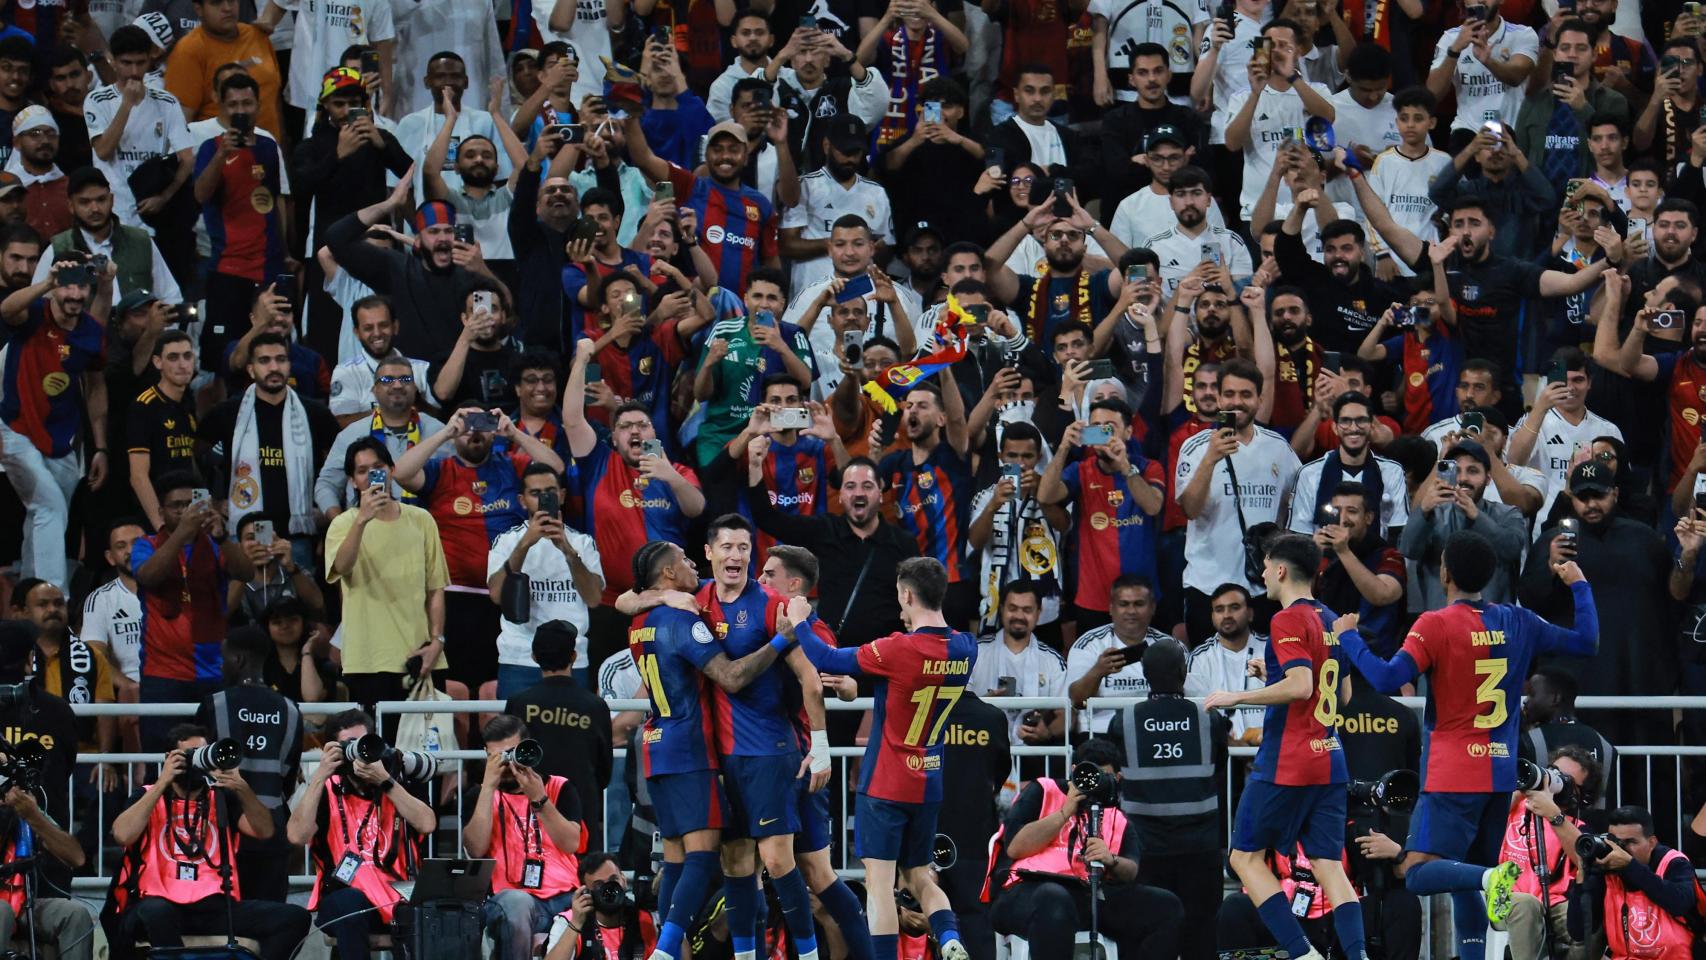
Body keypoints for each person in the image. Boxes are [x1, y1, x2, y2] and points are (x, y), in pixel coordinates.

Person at [1333, 529, 1599, 960]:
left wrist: (1347, 637)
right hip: (1498, 775)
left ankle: (1490, 877)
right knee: (1463, 881)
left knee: (1418, 874)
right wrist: (1579, 585)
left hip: (1452, 774)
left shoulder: (1434, 624)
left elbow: (1384, 679)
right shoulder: (1519, 620)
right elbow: (1586, 641)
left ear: (1444, 573)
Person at [622, 539, 802, 960]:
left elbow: (626, 600)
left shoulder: (640, 620)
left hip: (656, 747)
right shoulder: (681, 620)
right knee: (703, 860)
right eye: (684, 561)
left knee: (677, 860)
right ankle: (665, 952)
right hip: (689, 748)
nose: (691, 567)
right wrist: (780, 641)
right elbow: (732, 676)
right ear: (667, 574)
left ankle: (672, 950)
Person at [789, 556, 976, 960]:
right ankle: (949, 938)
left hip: (886, 784)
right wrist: (865, 684)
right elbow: (908, 683)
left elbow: (824, 658)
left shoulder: (896, 648)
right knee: (921, 877)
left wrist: (801, 619)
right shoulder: (966, 647)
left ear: (907, 595)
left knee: (880, 883)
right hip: (928, 781)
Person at [1203, 534, 1360, 960]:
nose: (1263, 574)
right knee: (1329, 866)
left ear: (1281, 570)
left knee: (1244, 858)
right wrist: (1271, 675)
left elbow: (1301, 685)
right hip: (1331, 757)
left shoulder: (1286, 620)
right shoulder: (1330, 618)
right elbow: (1341, 695)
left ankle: (1302, 954)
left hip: (1289, 759)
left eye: (1267, 566)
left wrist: (1237, 696)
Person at [393, 403, 565, 692]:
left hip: (506, 595)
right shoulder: (440, 470)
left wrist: (514, 434)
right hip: (455, 598)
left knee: (496, 691)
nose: (474, 431)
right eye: (466, 423)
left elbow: (555, 469)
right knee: (456, 688)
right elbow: (400, 473)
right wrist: (445, 433)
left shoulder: (511, 464)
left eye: (481, 423)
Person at [108, 723, 311, 960]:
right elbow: (122, 834)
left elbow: (264, 831)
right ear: (169, 757)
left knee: (295, 918)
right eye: (189, 755)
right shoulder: (147, 795)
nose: (196, 763)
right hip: (156, 903)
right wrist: (163, 782)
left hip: (213, 905)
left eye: (201, 754)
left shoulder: (222, 797)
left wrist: (243, 788)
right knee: (157, 911)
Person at [990, 737, 1182, 960]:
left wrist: (1111, 859)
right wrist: (1065, 812)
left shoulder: (1116, 816)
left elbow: (1131, 869)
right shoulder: (1044, 790)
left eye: (1104, 777)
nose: (1095, 783)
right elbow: (1015, 848)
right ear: (1074, 771)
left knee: (1165, 906)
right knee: (1054, 899)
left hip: (1087, 894)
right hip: (1028, 892)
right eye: (1089, 775)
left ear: (1117, 778)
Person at [1103, 639, 1229, 960]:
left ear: (1144, 674)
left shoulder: (1124, 721)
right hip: (1200, 848)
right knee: (1200, 936)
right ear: (1183, 673)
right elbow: (1220, 766)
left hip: (1144, 850)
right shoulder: (1209, 719)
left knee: (1145, 935)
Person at [285, 710, 437, 960]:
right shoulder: (326, 788)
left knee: (427, 914)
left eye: (364, 743)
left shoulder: (398, 781)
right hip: (343, 897)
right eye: (350, 746)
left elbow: (426, 824)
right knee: (349, 903)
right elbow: (296, 836)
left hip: (398, 896)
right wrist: (320, 775)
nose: (360, 753)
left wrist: (386, 782)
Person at [0, 251, 111, 590]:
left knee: (48, 516)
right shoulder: (34, 313)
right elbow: (5, 310)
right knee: (49, 506)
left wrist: (101, 446)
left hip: (63, 438)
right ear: (53, 288)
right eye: (66, 287)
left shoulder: (91, 331)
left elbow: (94, 387)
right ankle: (54, 599)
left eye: (81, 287)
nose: (74, 296)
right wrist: (47, 282)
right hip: (16, 427)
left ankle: (29, 594)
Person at [1176, 358, 1303, 638]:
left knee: (1266, 676)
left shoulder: (1278, 448)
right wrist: (1210, 458)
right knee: (1210, 676)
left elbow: (1297, 505)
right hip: (1207, 586)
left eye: (1246, 395)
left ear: (1259, 399)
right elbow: (1190, 509)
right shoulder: (1196, 447)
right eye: (1230, 394)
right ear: (1219, 398)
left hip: (1264, 587)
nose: (1237, 402)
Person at [130, 473, 258, 749]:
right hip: (162, 676)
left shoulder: (215, 544)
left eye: (192, 503)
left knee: (217, 760)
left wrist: (223, 536)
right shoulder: (147, 544)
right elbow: (148, 576)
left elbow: (246, 572)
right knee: (162, 759)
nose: (186, 510)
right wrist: (181, 534)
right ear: (161, 511)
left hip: (212, 672)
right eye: (177, 505)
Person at [323, 439, 449, 714]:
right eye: (362, 470)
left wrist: (437, 642)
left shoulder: (421, 519)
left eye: (378, 467)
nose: (371, 476)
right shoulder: (342, 524)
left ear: (392, 470)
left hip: (422, 656)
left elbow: (435, 588)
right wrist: (361, 520)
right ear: (353, 481)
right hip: (367, 660)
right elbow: (341, 568)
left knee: (426, 753)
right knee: (375, 755)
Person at [197, 331, 340, 565]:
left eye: (281, 360)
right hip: (244, 537)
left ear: (289, 365)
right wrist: (210, 502)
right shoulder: (226, 413)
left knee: (301, 601)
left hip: (299, 536)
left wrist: (328, 510)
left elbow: (341, 466)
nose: (274, 367)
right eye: (264, 361)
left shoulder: (316, 414)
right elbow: (192, 460)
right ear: (251, 369)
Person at [193, 625, 302, 902]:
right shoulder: (290, 709)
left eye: (224, 658)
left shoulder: (215, 703)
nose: (220, 666)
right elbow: (289, 777)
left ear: (238, 660)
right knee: (271, 920)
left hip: (223, 833)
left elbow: (199, 766)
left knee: (230, 922)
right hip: (273, 830)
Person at [466, 714, 586, 960]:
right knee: (517, 903)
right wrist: (488, 787)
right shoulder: (479, 796)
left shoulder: (559, 787)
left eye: (511, 754)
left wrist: (539, 799)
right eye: (496, 757)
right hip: (511, 901)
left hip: (563, 898)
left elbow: (571, 843)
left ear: (526, 748)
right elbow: (475, 849)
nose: (507, 764)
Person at [1039, 397, 1166, 627]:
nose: (1102, 434)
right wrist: (1064, 447)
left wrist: (1124, 466)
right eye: (1095, 428)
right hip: (1093, 600)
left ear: (1128, 432)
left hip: (1141, 599)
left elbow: (1153, 506)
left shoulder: (1149, 467)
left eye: (1109, 428)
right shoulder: (1080, 471)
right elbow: (1045, 496)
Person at [487, 464, 604, 694]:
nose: (543, 499)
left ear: (561, 496)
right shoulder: (507, 541)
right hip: (519, 657)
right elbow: (497, 594)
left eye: (550, 492)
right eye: (535, 493)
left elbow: (593, 599)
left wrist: (567, 550)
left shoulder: (582, 543)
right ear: (522, 500)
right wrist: (525, 544)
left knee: (571, 731)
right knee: (517, 730)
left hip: (572, 659)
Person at [503, 623, 614, 848]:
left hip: (528, 815)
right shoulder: (595, 705)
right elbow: (604, 771)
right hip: (580, 813)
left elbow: (508, 760)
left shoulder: (519, 703)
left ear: (534, 657)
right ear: (574, 656)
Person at [1497, 745, 1601, 960]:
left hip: (1553, 903)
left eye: (1566, 779)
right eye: (1553, 771)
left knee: (1591, 918)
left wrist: (1554, 814)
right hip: (1502, 897)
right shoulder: (1514, 806)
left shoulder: (1573, 825)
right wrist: (1520, 790)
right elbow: (1482, 823)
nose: (1555, 781)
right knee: (1526, 904)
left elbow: (1584, 861)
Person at [315, 354, 448, 519]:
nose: (397, 385)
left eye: (405, 379)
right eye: (387, 380)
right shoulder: (351, 434)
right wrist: (340, 524)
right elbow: (326, 485)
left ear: (415, 388)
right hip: (367, 533)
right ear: (374, 390)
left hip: (427, 532)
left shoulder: (440, 432)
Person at [1401, 442, 1529, 608]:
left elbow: (1511, 549)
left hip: (1493, 625)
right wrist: (1423, 510)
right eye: (1457, 471)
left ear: (1488, 478)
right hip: (1442, 623)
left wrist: (1476, 516)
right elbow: (1408, 550)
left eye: (1473, 471)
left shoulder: (1507, 514)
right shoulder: (1433, 514)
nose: (1463, 479)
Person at [0, 762, 94, 960]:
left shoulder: (22, 809)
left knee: (75, 914)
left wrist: (33, 816)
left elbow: (76, 858)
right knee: (2, 911)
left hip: (21, 901)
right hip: (4, 907)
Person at [1579, 806, 1698, 960]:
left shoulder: (1674, 863)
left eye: (1630, 842)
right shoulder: (1607, 870)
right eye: (1616, 842)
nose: (1622, 850)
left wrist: (1630, 867)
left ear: (1652, 842)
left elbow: (1680, 903)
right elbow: (1578, 931)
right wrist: (1584, 878)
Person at [1289, 393, 1409, 536]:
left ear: (1371, 426)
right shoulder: (1309, 474)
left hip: (1377, 556)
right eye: (1346, 421)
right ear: (1335, 427)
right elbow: (1299, 534)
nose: (1353, 428)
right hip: (1322, 556)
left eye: (1361, 420)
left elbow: (1397, 532)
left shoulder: (1392, 472)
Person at [1065, 576, 1173, 735]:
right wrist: (1098, 672)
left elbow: (1185, 700)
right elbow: (1077, 701)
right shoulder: (1088, 644)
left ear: (1152, 608)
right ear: (1111, 608)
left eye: (1139, 604)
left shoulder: (1169, 647)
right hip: (1100, 733)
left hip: (1154, 732)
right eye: (1124, 604)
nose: (1131, 611)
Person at [1309, 482, 1406, 657]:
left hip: (1374, 658)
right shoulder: (1323, 553)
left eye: (1352, 511)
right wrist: (1312, 556)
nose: (1343, 519)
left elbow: (1382, 595)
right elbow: (1301, 598)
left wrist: (1343, 551)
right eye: (1337, 511)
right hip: (1328, 656)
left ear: (1368, 518)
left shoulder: (1387, 554)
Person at [968, 582, 1066, 747]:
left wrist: (1047, 733)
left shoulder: (1053, 660)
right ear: (1001, 610)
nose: (1019, 616)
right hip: (982, 746)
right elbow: (959, 707)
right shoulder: (975, 652)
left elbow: (1065, 715)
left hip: (1033, 754)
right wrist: (985, 704)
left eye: (1027, 610)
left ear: (1038, 613)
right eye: (1012, 608)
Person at [1184, 583, 1268, 742]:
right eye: (1219, 609)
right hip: (1223, 753)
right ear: (1212, 617)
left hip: (1267, 747)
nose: (1226, 615)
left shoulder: (1271, 649)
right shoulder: (1199, 657)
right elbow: (1196, 714)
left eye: (1234, 607)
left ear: (1250, 613)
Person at [541, 853, 657, 960]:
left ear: (624, 880)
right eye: (599, 885)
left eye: (613, 879)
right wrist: (575, 924)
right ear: (585, 891)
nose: (609, 889)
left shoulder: (644, 918)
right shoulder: (569, 921)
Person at [1520, 666, 1617, 775]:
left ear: (1555, 698)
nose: (1525, 701)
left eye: (1531, 695)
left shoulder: (1528, 742)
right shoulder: (1604, 746)